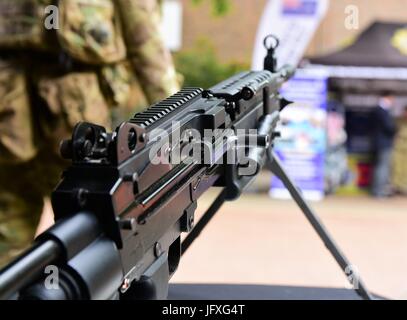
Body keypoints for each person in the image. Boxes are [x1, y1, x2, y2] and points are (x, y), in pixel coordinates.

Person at [0, 0, 180, 267]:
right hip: (63, 120)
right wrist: (176, 120)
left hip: (29, 113)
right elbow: (144, 41)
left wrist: (173, 117)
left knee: (22, 236)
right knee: (92, 234)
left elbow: (143, 39)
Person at [371, 92, 397, 198]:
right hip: (383, 143)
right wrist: (395, 130)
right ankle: (379, 190)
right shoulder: (382, 111)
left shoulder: (378, 110)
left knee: (381, 166)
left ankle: (379, 190)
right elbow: (389, 127)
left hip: (379, 143)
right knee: (382, 167)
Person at [392, 106, 407, 194]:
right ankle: (395, 187)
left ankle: (404, 187)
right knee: (396, 167)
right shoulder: (398, 120)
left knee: (405, 169)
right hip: (398, 148)